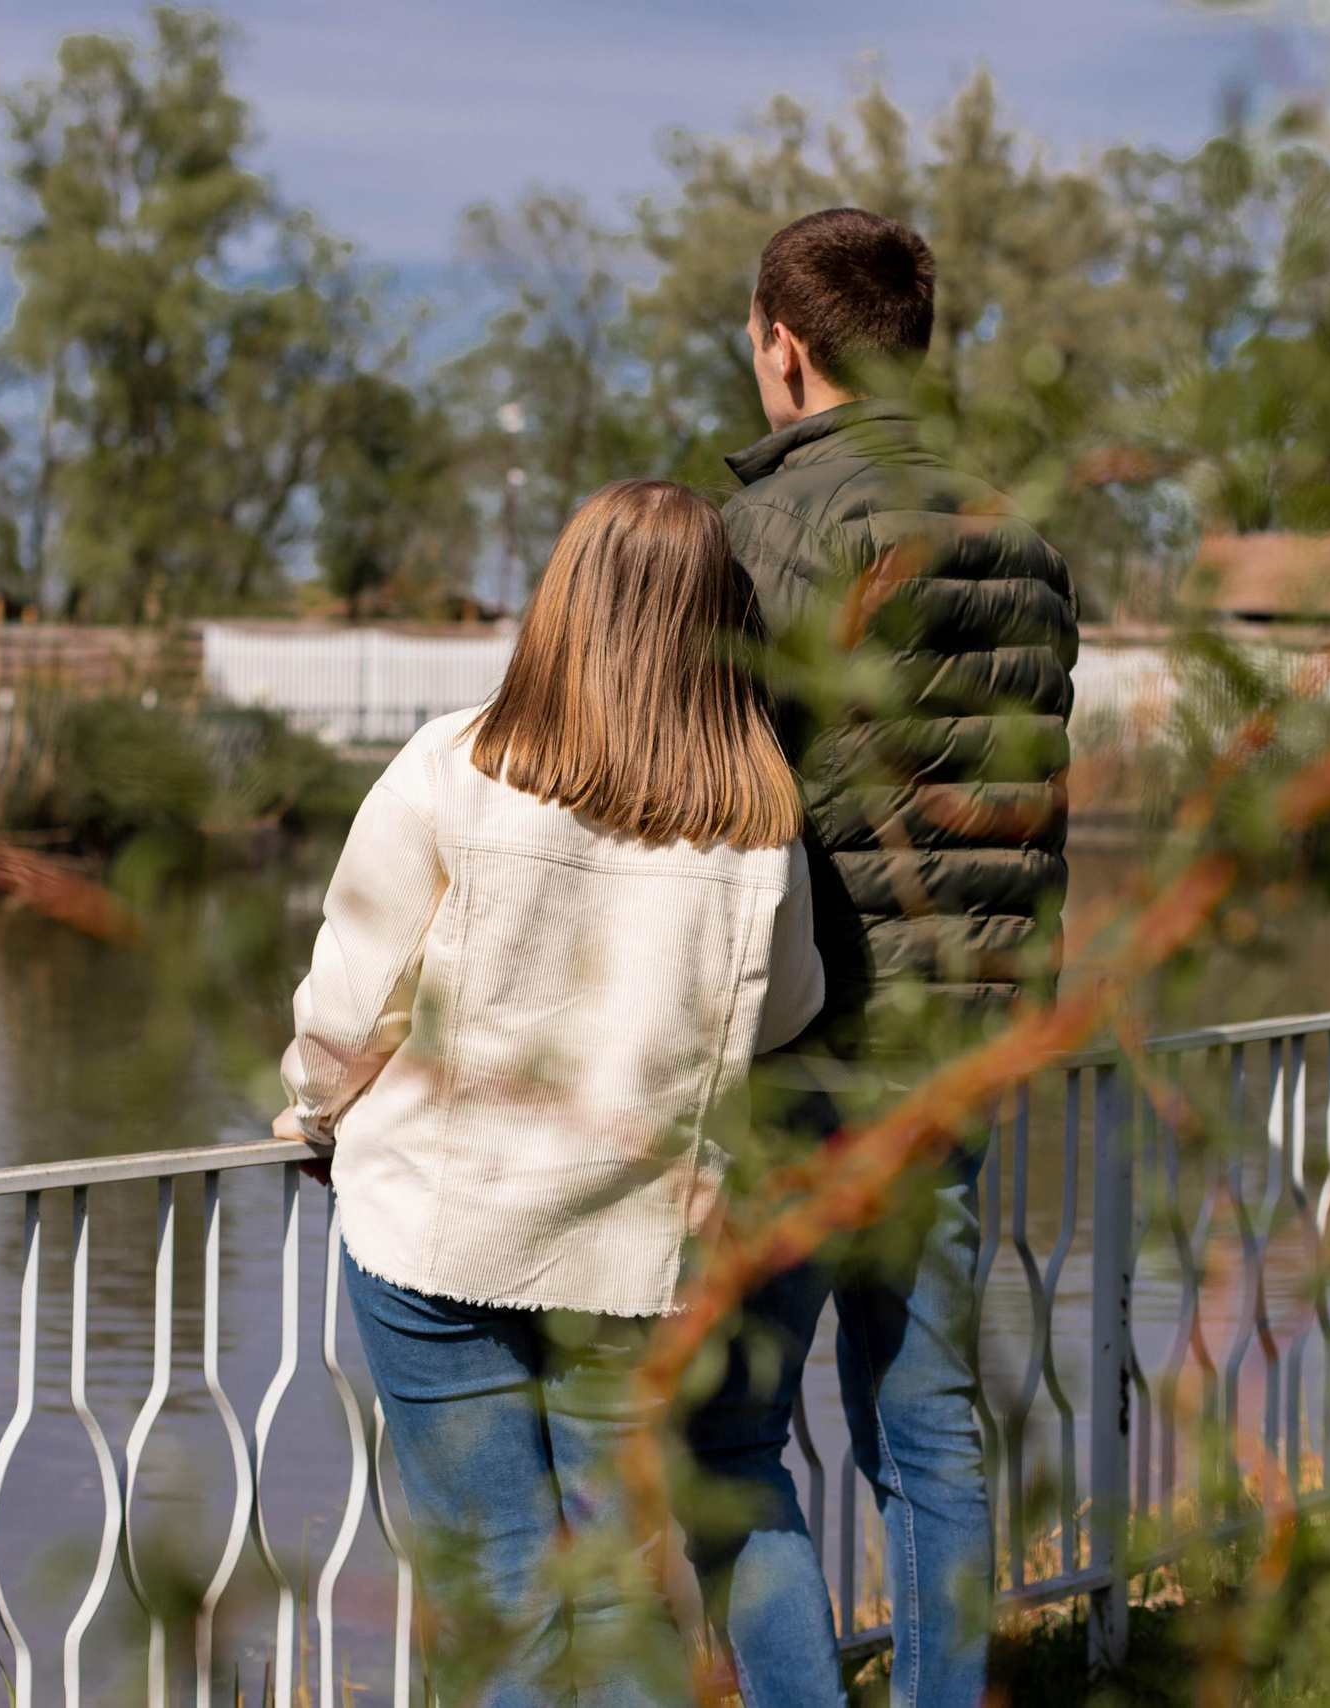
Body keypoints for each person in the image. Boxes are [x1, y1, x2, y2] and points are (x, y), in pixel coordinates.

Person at [274, 478, 826, 1707]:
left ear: (560, 604)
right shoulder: (757, 815)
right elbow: (786, 1008)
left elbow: (352, 1005)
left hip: (439, 1233)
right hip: (634, 1254)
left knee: (500, 1580)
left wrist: (313, 1113)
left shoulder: (451, 766)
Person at [680, 209, 1077, 1707]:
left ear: (783, 346)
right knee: (928, 1430)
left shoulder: (770, 529)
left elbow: (705, 787)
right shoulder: (1019, 535)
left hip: (809, 1051)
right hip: (958, 1049)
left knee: (727, 1433)